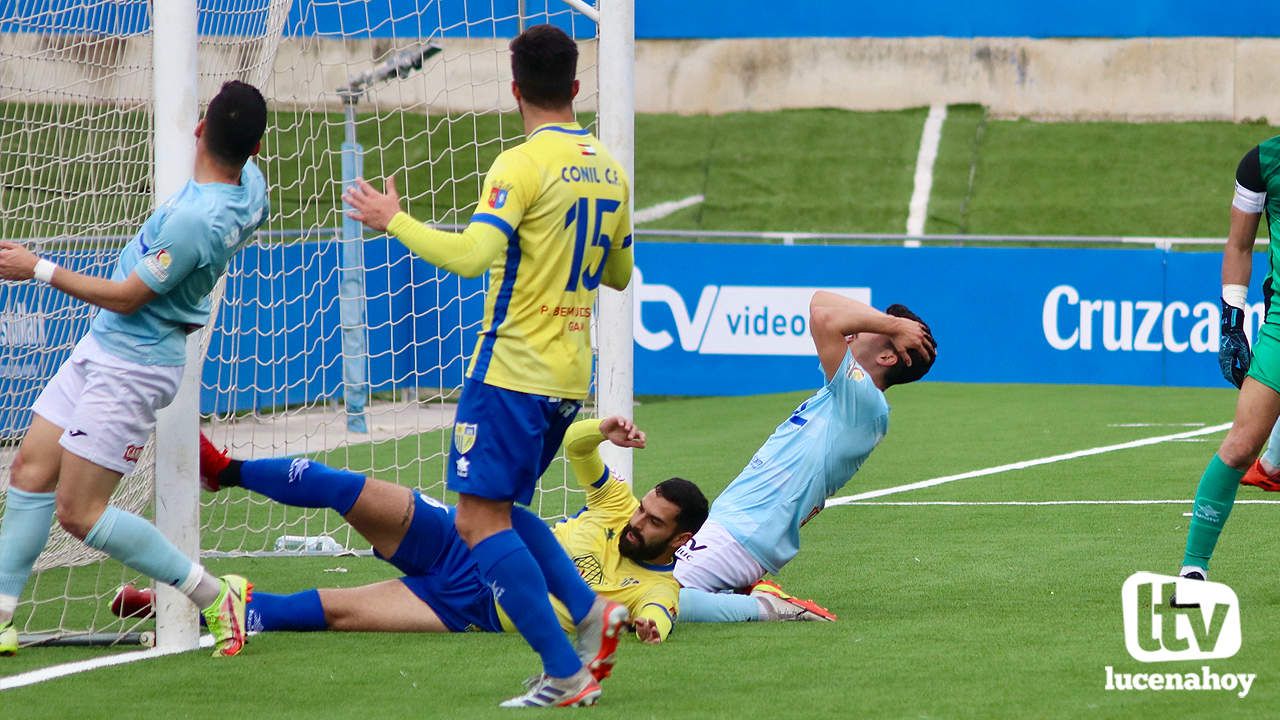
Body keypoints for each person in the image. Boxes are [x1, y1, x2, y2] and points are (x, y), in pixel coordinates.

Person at [342, 24, 633, 707]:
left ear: (514, 90)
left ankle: (565, 668)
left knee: (477, 524)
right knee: (497, 510)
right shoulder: (609, 169)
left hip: (510, 371)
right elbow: (618, 272)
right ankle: (590, 614)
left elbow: (472, 258)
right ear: (575, 87)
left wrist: (395, 220)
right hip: (566, 378)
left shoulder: (520, 164)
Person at [0, 81, 270, 657]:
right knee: (29, 468)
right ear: (255, 149)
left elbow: (126, 297)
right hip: (107, 346)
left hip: (133, 363)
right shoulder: (252, 189)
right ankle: (0, 616)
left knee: (78, 512)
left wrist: (36, 267)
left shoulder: (195, 220)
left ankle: (214, 594)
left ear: (200, 129)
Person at [113, 417, 706, 650]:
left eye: (653, 523)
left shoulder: (660, 588)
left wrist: (646, 624)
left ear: (678, 541)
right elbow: (577, 447)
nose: (636, 522)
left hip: (471, 604)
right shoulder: (615, 505)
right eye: (642, 509)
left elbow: (659, 618)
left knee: (332, 612)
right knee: (346, 489)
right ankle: (226, 473)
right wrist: (604, 430)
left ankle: (188, 607)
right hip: (468, 537)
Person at [674, 291, 936, 623]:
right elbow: (819, 302)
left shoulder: (865, 404)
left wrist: (893, 326)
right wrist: (894, 325)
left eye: (872, 329)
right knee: (636, 584)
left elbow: (825, 319)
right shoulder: (840, 395)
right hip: (733, 526)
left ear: (886, 358)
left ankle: (768, 608)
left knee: (655, 602)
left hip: (745, 535)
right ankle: (738, 593)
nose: (855, 330)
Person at [1179, 137, 1280, 582]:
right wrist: (1230, 322)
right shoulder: (1263, 162)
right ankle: (1193, 570)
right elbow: (1240, 245)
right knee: (1241, 445)